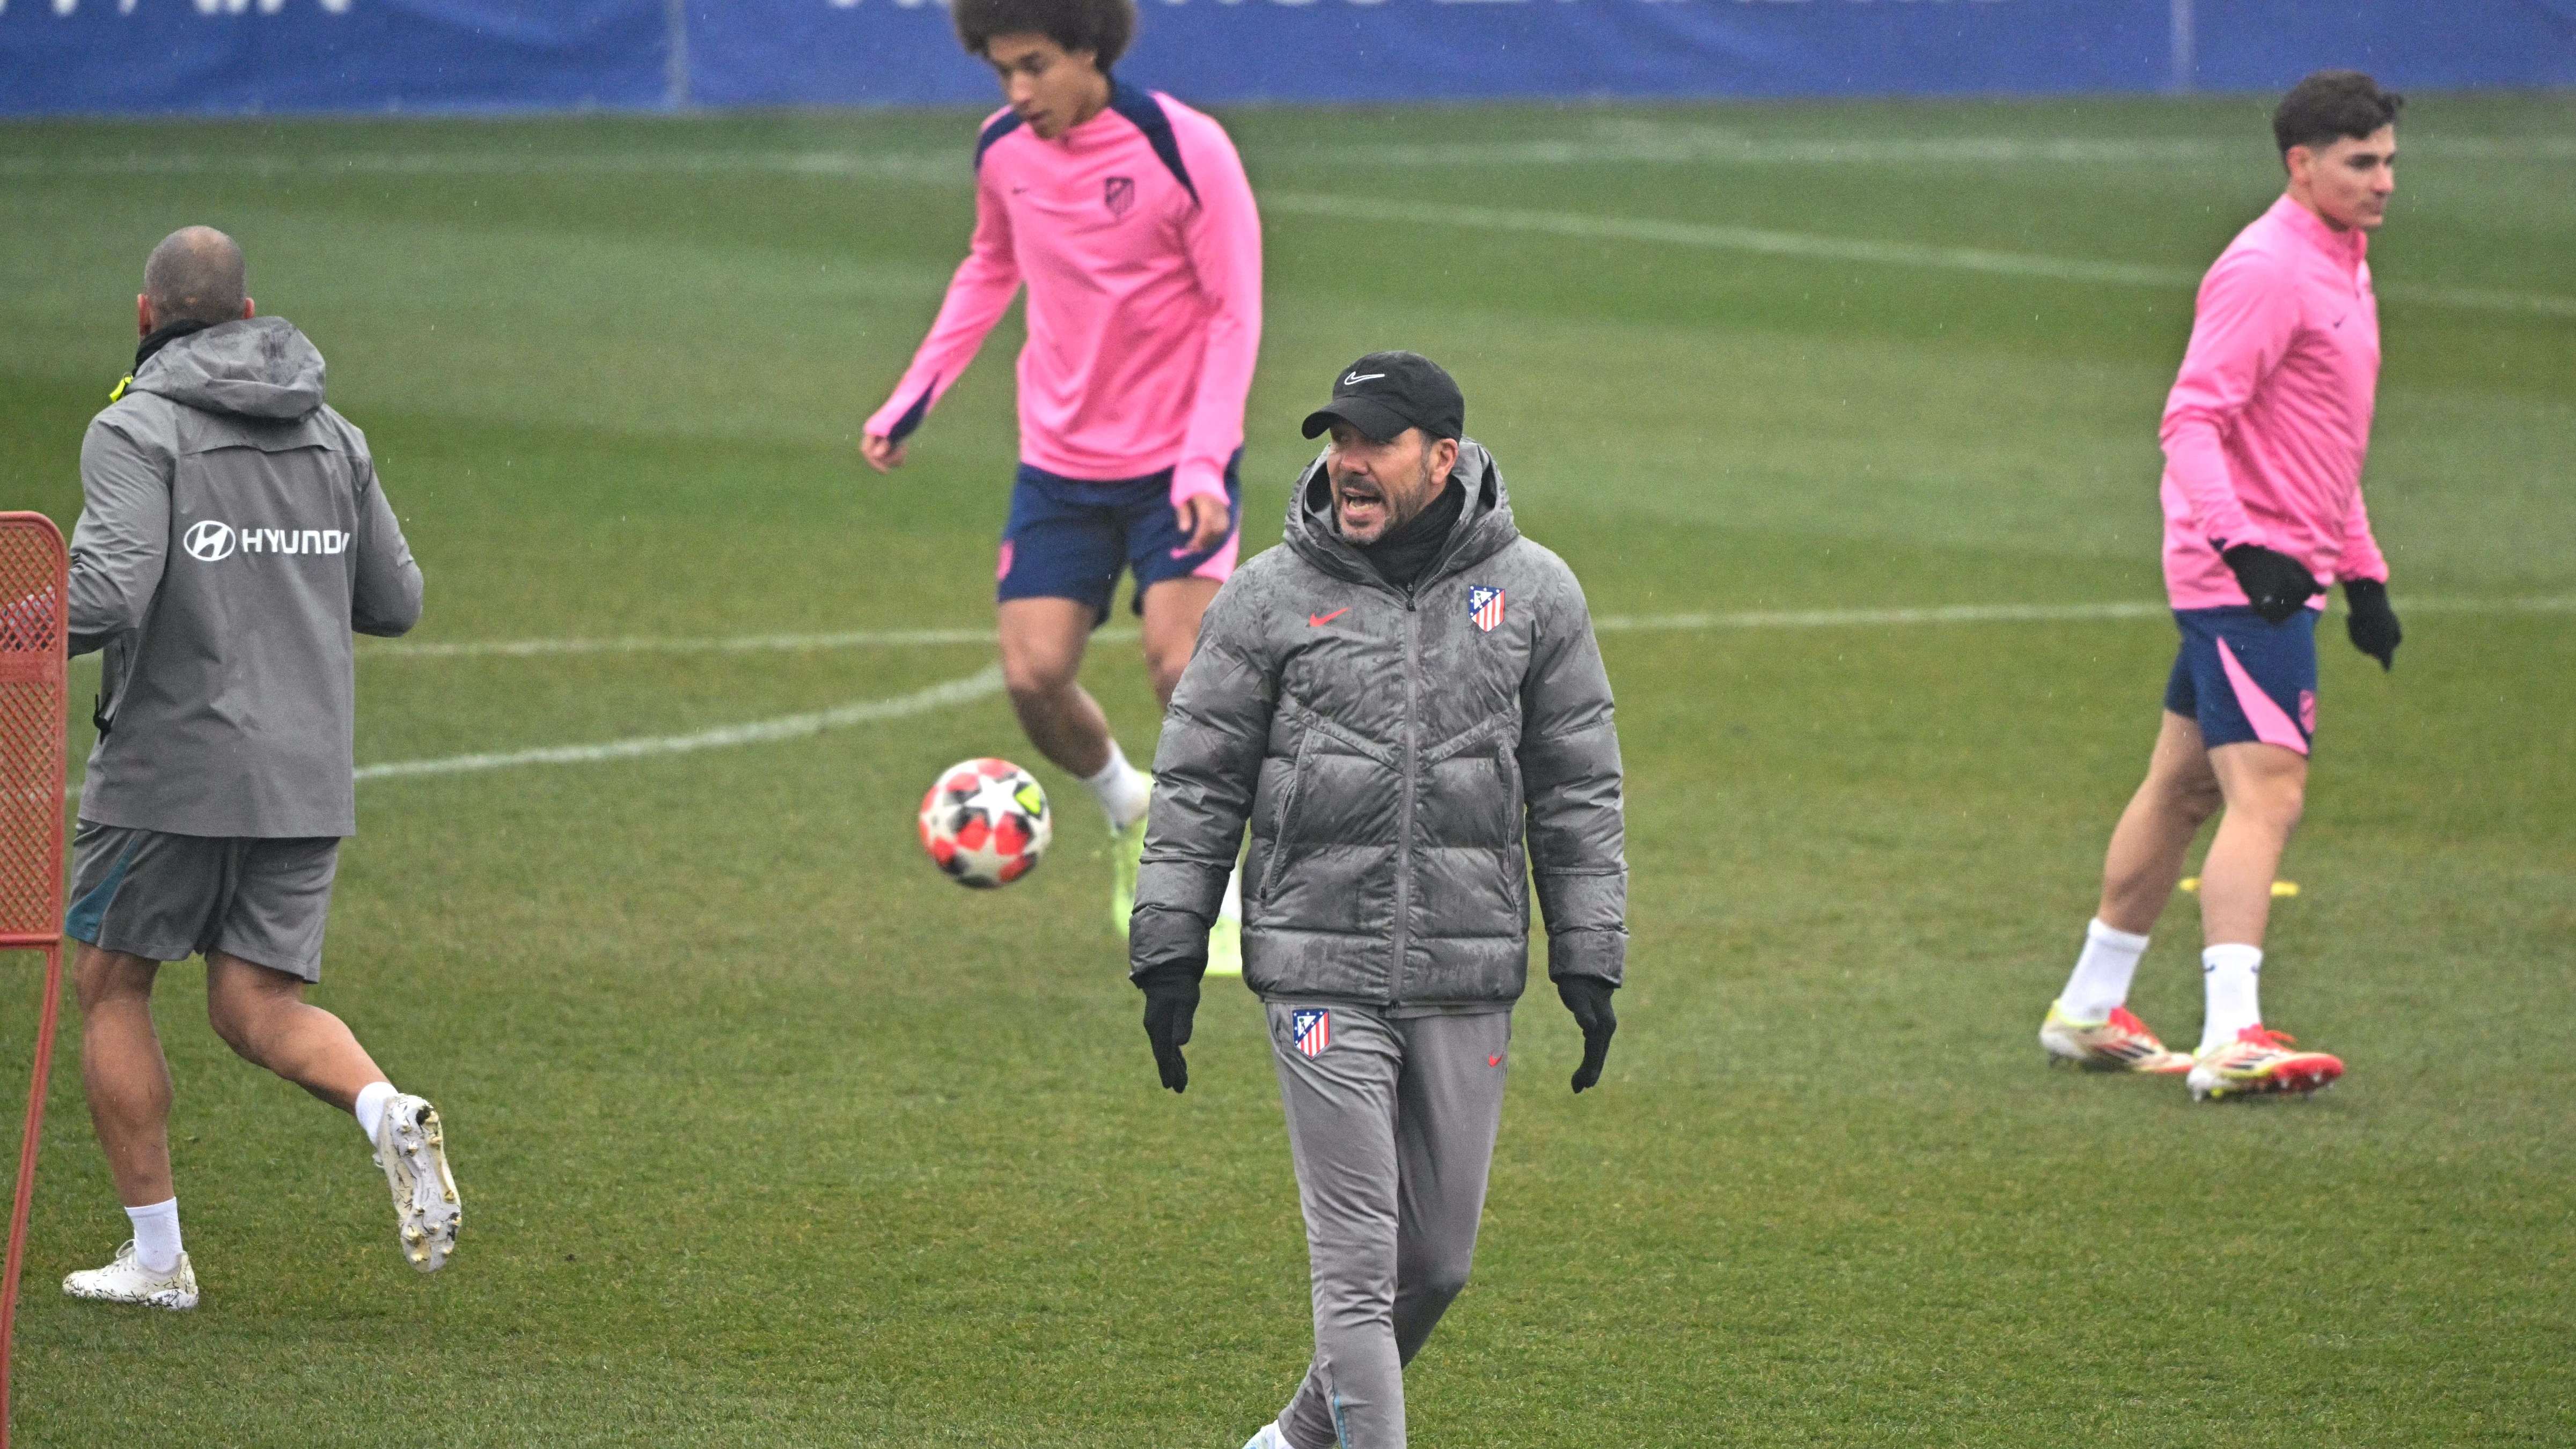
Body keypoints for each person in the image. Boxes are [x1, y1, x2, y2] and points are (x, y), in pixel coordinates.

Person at [1129, 353, 1627, 1449]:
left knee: (1436, 1265)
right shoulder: (1267, 596)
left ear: (1442, 457)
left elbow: (1576, 780)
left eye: (1374, 444)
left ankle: (1295, 1439)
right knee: (1355, 1266)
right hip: (1317, 971)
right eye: (1336, 442)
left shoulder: (1536, 592)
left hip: (1466, 968)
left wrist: (1588, 954)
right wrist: (1169, 947)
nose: (1347, 464)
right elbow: (1199, 779)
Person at [56, 226, 459, 1311]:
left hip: (171, 769)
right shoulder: (334, 435)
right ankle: (386, 1110)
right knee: (257, 999)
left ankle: (156, 1260)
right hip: (305, 770)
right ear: (246, 318)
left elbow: (101, 594)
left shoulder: (137, 428)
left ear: (146, 319)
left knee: (108, 984)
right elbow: (398, 601)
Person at [858, 0, 1262, 968]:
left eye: (1034, 66)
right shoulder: (1003, 151)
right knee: (1034, 677)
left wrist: (1206, 456)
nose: (1017, 92)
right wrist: (913, 395)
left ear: (1089, 49)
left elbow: (1233, 311)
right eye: (1002, 72)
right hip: (1060, 464)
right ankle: (1131, 806)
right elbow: (989, 265)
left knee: (1182, 669)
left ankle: (1215, 877)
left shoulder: (1183, 147)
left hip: (1176, 461)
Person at [2039, 72, 2407, 1101]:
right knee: (2269, 792)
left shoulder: (2345, 264)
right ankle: (2234, 1031)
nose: (2383, 182)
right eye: (2360, 163)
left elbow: (2321, 445)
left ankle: (2086, 1007)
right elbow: (2189, 419)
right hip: (2247, 579)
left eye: (2387, 161)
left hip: (2287, 565)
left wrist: (2364, 572)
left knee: (2186, 784)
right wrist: (2244, 549)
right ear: (2301, 164)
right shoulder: (2267, 268)